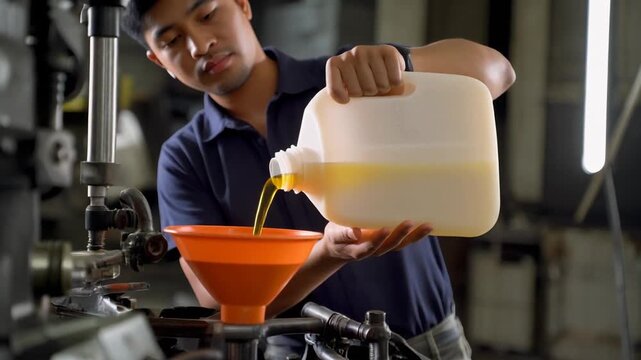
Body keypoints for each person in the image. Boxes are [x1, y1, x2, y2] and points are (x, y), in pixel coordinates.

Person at [122, 0, 515, 358]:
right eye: (173, 41)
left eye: (207, 14)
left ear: (242, 5)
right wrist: (327, 254)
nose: (200, 44)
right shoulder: (186, 158)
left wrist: (401, 61)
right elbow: (217, 305)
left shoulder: (348, 85)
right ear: (158, 60)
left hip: (426, 345)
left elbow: (497, 73)